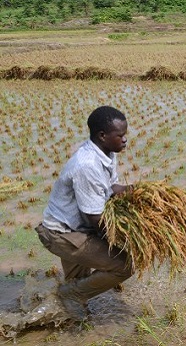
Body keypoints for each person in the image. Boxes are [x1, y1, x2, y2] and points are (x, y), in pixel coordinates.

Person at [35, 106, 134, 321]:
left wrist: (136, 190)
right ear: (102, 135)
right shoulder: (87, 165)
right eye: (120, 136)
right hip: (63, 234)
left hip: (73, 227)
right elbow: (95, 218)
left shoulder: (106, 152)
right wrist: (126, 240)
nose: (125, 140)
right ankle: (67, 296)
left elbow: (110, 188)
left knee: (77, 303)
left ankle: (56, 318)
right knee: (124, 265)